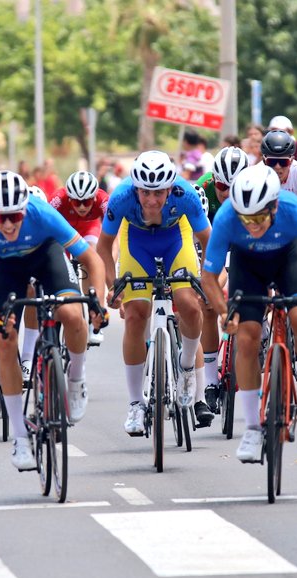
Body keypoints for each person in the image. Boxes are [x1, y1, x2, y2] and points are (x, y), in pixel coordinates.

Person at [0, 171, 106, 470]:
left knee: (71, 314)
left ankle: (76, 378)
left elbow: (92, 259)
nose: (8, 224)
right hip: (7, 269)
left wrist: (98, 302)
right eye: (0, 218)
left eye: (14, 216)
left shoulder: (42, 213)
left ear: (25, 209)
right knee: (5, 339)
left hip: (47, 258)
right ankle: (20, 437)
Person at [200, 164, 297, 461]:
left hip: (287, 258)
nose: (252, 225)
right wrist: (224, 312)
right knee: (246, 337)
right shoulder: (227, 217)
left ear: (274, 206)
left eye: (259, 217)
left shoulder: (295, 211)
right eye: (246, 218)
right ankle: (252, 428)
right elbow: (208, 278)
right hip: (247, 264)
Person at [97, 150, 211, 436]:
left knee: (189, 304)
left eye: (159, 193)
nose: (151, 200)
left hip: (176, 240)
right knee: (136, 315)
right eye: (145, 192)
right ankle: (136, 404)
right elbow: (103, 247)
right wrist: (113, 287)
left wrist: (208, 281)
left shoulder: (186, 195)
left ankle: (187, 367)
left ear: (170, 189)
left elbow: (209, 240)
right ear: (135, 188)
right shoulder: (121, 198)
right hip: (137, 243)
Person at [194, 146, 250, 425]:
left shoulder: (255, 188)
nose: (227, 193)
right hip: (210, 240)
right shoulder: (202, 188)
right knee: (207, 302)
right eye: (222, 186)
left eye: (234, 187)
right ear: (213, 180)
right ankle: (210, 381)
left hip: (241, 238)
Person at [48, 170, 110, 345]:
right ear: (69, 198)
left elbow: (113, 236)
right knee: (58, 262)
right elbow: (45, 225)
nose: (82, 207)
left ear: (94, 198)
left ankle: (94, 317)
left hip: (89, 228)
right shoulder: (57, 198)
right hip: (65, 230)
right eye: (77, 202)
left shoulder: (104, 200)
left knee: (91, 258)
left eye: (87, 202)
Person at [261, 131, 297, 220]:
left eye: (283, 162)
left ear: (291, 161)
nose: (278, 167)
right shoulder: (256, 174)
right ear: (264, 161)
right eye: (272, 161)